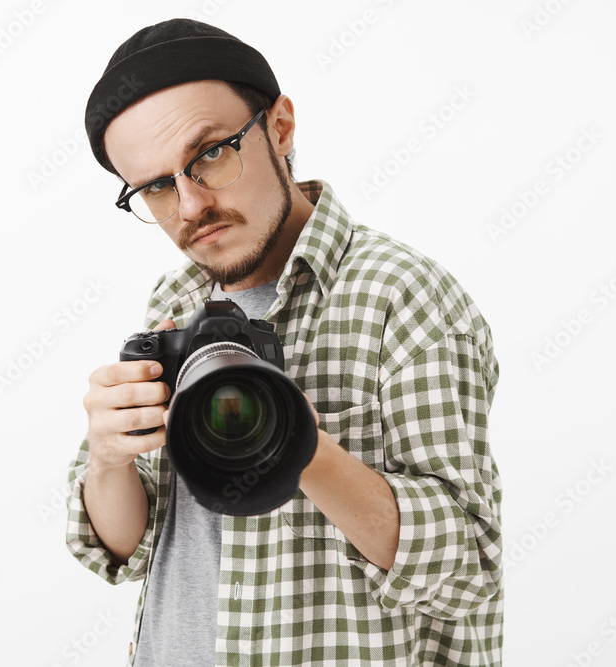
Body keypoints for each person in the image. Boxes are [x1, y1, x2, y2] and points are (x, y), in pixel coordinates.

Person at [66, 18, 502, 667]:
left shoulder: (402, 295)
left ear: (280, 127)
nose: (189, 206)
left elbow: (469, 566)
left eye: (210, 153)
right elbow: (124, 548)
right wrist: (108, 458)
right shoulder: (174, 301)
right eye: (156, 185)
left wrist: (298, 446)